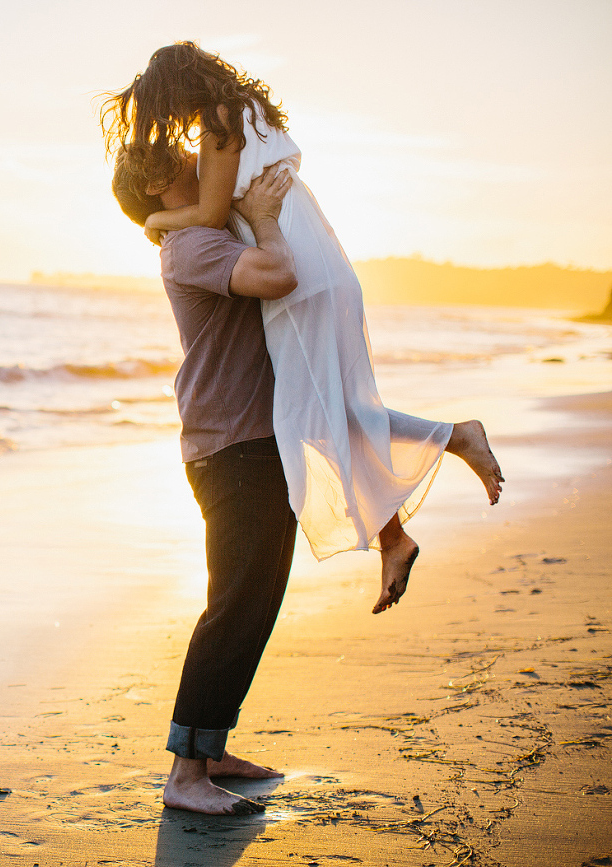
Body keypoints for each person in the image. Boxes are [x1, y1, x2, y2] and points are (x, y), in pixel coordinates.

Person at [104, 42, 504, 614]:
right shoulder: (234, 112)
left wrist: (159, 222)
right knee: (322, 404)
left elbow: (213, 217)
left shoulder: (220, 123)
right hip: (316, 259)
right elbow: (223, 215)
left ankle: (450, 448)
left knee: (310, 408)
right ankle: (399, 527)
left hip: (301, 269)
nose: (164, 131)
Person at [118, 149, 299, 815]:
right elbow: (277, 275)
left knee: (255, 599)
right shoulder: (191, 243)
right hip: (231, 445)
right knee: (232, 604)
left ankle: (211, 746)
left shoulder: (196, 228)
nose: (198, 155)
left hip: (253, 438)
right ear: (154, 184)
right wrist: (265, 219)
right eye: (178, 156)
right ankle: (185, 773)